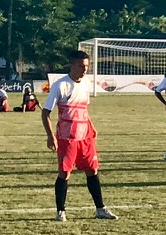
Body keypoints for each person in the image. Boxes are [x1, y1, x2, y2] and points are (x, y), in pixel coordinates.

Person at [42, 50, 116, 222]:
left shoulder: (86, 83)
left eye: (87, 67)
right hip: (67, 137)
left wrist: (91, 126)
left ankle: (100, 209)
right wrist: (50, 136)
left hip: (85, 137)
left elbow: (84, 109)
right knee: (65, 173)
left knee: (92, 170)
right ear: (71, 65)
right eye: (81, 66)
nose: (85, 70)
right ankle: (60, 211)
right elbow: (45, 113)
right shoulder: (60, 85)